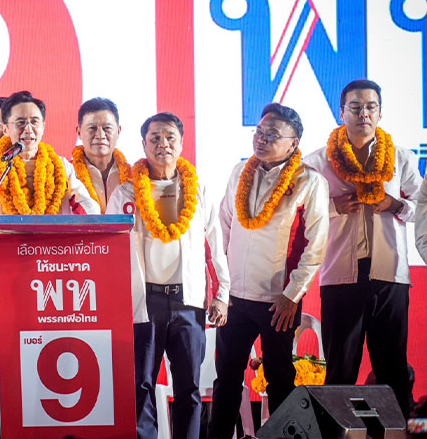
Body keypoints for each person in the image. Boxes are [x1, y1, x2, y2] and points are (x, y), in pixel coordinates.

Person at [209, 103, 329, 439]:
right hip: (235, 299)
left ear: (293, 143)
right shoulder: (240, 172)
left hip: (279, 301)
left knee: (279, 378)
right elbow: (224, 227)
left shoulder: (309, 181)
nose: (261, 139)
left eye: (272, 135)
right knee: (227, 378)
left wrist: (292, 296)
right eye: (259, 132)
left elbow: (316, 245)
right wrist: (222, 287)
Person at [106, 112, 229, 439]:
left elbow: (215, 245)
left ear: (182, 143)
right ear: (143, 143)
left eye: (170, 137)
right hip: (144, 302)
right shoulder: (125, 194)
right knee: (141, 384)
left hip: (188, 301)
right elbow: (111, 252)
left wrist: (221, 294)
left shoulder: (196, 190)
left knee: (189, 387)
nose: (163, 144)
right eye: (155, 138)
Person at [307, 79, 421, 417]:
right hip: (341, 276)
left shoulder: (400, 157)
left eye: (371, 107)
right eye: (355, 107)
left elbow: (423, 206)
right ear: (341, 112)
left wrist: (395, 205)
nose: (363, 114)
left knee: (393, 368)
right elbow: (300, 213)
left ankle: (400, 434)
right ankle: (336, 433)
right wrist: (333, 208)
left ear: (380, 113)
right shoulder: (318, 162)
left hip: (390, 275)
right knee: (340, 369)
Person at [0, 90, 100, 217]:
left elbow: (90, 209)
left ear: (43, 127)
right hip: (5, 237)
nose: (28, 129)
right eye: (21, 123)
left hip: (50, 237)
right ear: (5, 129)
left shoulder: (61, 166)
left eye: (34, 122)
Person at [73, 97, 131, 212]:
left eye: (107, 128)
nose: (100, 135)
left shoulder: (134, 177)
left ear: (118, 131)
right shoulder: (67, 176)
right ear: (79, 132)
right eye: (92, 128)